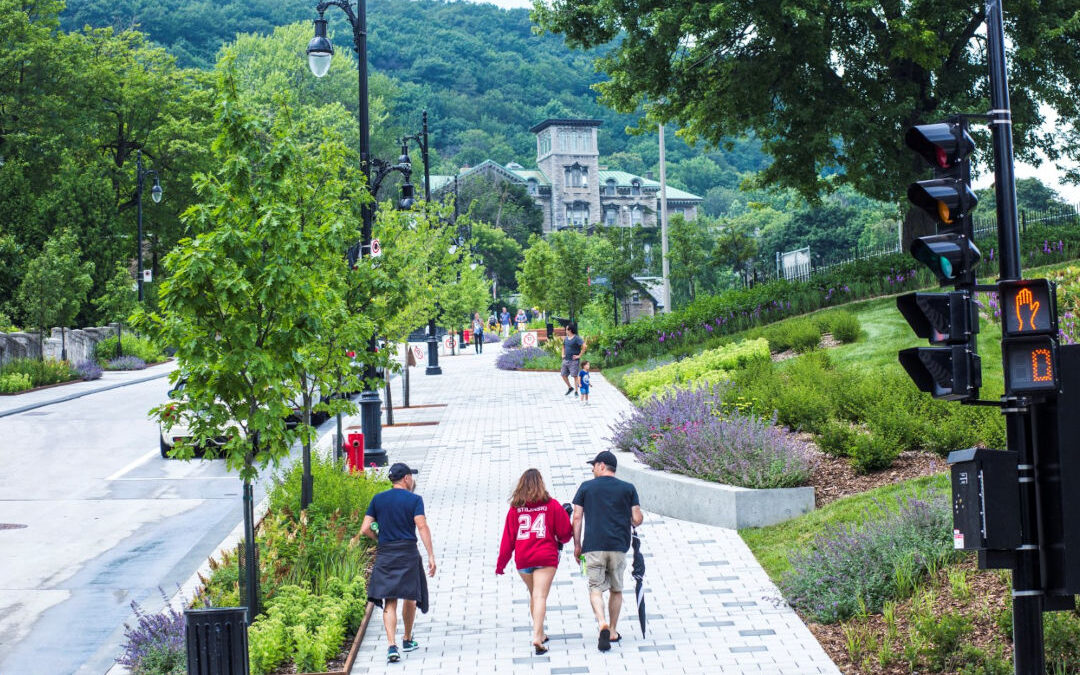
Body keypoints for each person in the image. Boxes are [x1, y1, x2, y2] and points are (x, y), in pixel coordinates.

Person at [362, 463, 437, 664]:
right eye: (411, 476)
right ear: (405, 478)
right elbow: (422, 526)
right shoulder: (414, 499)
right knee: (410, 597)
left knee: (390, 601)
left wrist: (380, 539)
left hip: (386, 554)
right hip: (407, 553)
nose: (412, 480)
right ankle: (407, 639)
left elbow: (365, 528)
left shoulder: (378, 499)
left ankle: (391, 645)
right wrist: (430, 555)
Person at [572, 450, 643, 652]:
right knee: (616, 588)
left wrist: (577, 545)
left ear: (602, 465)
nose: (593, 469)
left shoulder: (586, 487)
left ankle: (601, 622)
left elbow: (577, 518)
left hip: (593, 546)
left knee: (595, 588)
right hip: (619, 546)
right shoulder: (628, 488)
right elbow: (636, 519)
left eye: (594, 465)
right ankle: (612, 630)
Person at [496, 469, 573, 654]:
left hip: (523, 560)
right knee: (540, 596)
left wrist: (501, 565)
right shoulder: (552, 505)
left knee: (534, 595)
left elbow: (508, 539)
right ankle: (537, 637)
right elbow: (564, 535)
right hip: (545, 557)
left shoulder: (515, 509)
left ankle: (541, 632)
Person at [560, 322, 586, 397]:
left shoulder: (576, 338)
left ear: (570, 330)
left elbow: (584, 346)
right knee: (563, 375)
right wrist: (562, 354)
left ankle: (576, 392)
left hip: (573, 361)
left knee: (575, 376)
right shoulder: (566, 338)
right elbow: (563, 347)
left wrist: (579, 356)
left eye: (566, 329)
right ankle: (570, 388)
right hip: (566, 360)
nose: (565, 330)